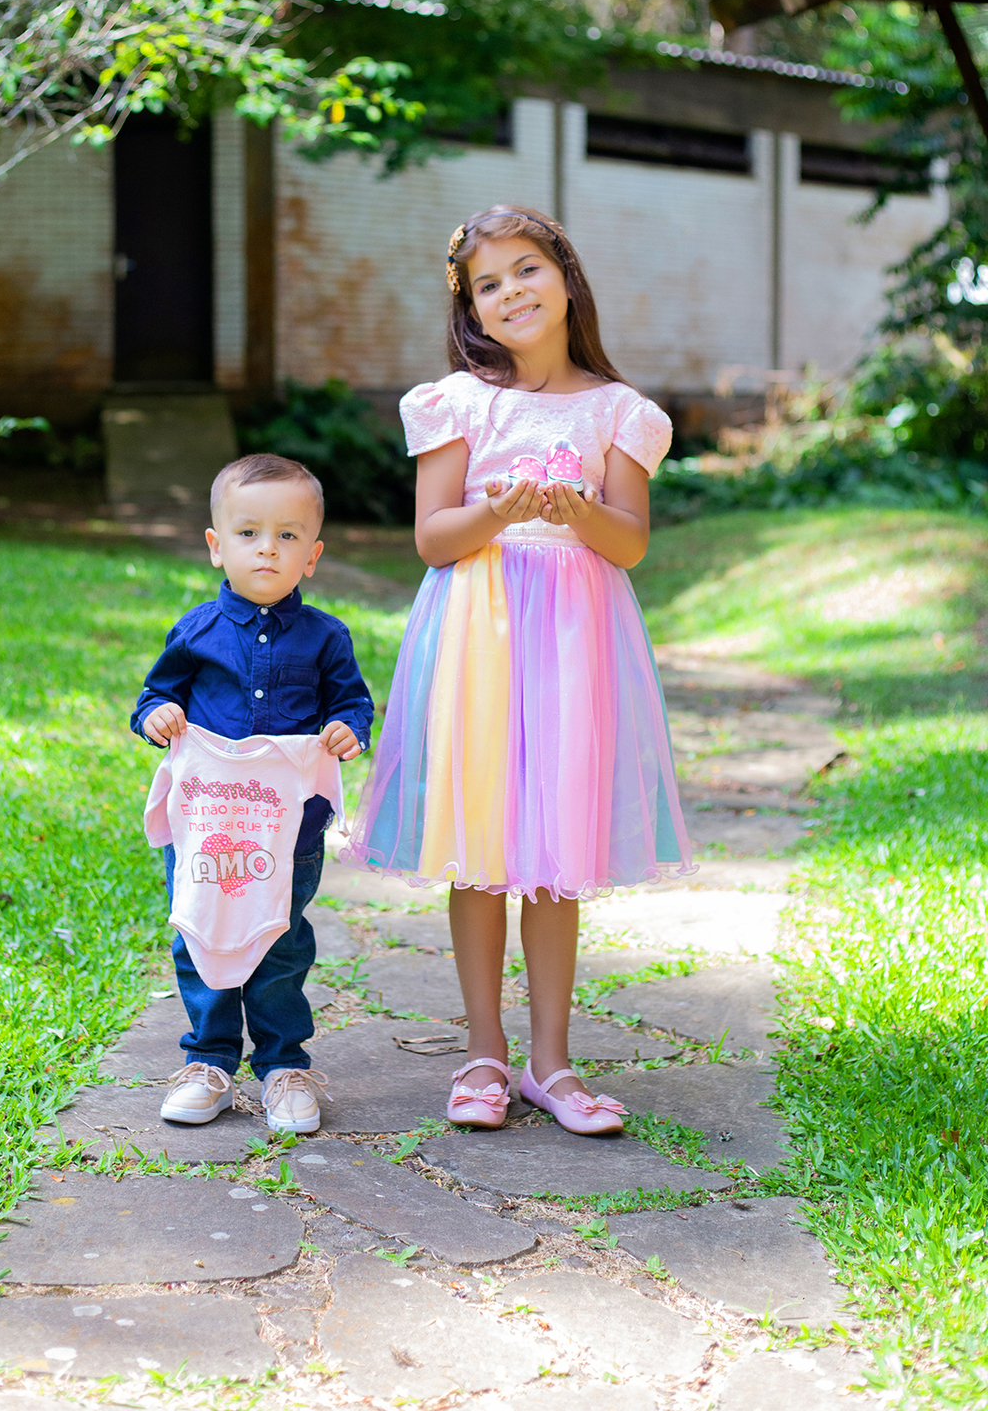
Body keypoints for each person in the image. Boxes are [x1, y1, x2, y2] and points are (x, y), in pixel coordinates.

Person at [341, 206, 693, 1135]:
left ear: (566, 277)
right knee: (482, 843)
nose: (512, 293)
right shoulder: (455, 403)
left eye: (526, 270)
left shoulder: (620, 413)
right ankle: (484, 1054)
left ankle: (552, 1062)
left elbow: (629, 544)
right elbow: (433, 538)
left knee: (552, 853)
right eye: (488, 285)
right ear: (473, 312)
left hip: (574, 638)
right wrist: (497, 509)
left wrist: (576, 511)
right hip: (479, 631)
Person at [133, 452, 374, 1135]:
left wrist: (345, 729)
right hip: (207, 823)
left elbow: (353, 703)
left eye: (288, 536)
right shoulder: (196, 632)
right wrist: (157, 717)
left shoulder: (328, 637)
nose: (267, 548)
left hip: (290, 829)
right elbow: (156, 695)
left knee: (281, 941)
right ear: (216, 547)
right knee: (199, 934)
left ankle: (282, 1065)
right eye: (248, 533)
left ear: (313, 556)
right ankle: (208, 1060)